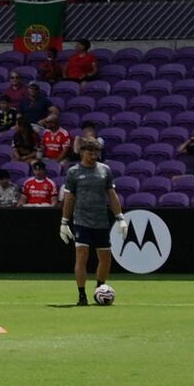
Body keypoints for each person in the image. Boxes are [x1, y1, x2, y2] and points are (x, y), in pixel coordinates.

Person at [61, 132, 121, 308]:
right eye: (90, 153)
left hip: (101, 220)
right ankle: (81, 295)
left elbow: (112, 195)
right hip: (81, 220)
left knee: (106, 258)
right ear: (82, 152)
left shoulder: (105, 170)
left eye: (96, 153)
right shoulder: (73, 172)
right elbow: (69, 198)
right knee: (82, 256)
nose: (94, 156)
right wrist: (64, 221)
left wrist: (120, 217)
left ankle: (100, 287)